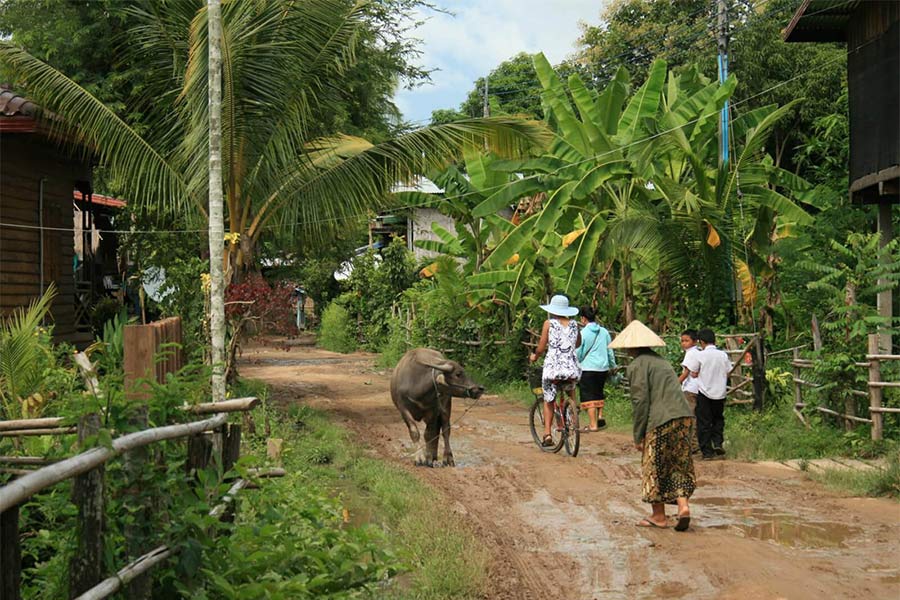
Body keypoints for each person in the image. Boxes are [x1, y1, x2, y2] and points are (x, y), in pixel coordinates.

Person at [609, 320, 695, 531]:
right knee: (678, 462)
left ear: (630, 347)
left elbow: (640, 402)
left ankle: (659, 516)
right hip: (684, 416)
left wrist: (639, 435)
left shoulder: (637, 365)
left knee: (653, 465)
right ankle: (683, 506)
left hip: (660, 419)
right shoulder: (662, 362)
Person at [529, 295, 581, 447]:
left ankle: (547, 434)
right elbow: (577, 343)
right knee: (570, 389)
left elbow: (541, 346)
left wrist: (535, 355)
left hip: (553, 368)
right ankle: (572, 414)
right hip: (571, 367)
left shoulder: (549, 323)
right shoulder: (574, 324)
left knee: (549, 399)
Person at [683, 328, 731, 460]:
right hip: (720, 393)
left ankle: (707, 452)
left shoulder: (700, 355)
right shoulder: (723, 355)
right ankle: (717, 442)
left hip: (704, 392)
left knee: (704, 422)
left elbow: (693, 372)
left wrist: (700, 373)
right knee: (718, 419)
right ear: (714, 340)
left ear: (701, 342)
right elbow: (728, 372)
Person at [576, 305, 616, 431]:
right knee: (598, 392)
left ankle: (593, 425)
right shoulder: (604, 332)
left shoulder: (582, 333)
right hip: (602, 369)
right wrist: (613, 365)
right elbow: (610, 351)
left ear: (583, 319)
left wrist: (577, 363)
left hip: (588, 368)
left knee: (589, 396)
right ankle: (599, 417)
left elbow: (578, 352)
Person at [678, 329, 702, 454]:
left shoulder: (691, 353)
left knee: (690, 417)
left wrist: (675, 384)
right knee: (696, 416)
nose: (683, 343)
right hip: (698, 388)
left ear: (694, 341)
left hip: (690, 389)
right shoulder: (699, 352)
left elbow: (686, 372)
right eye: (682, 341)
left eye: (687, 341)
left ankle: (692, 444)